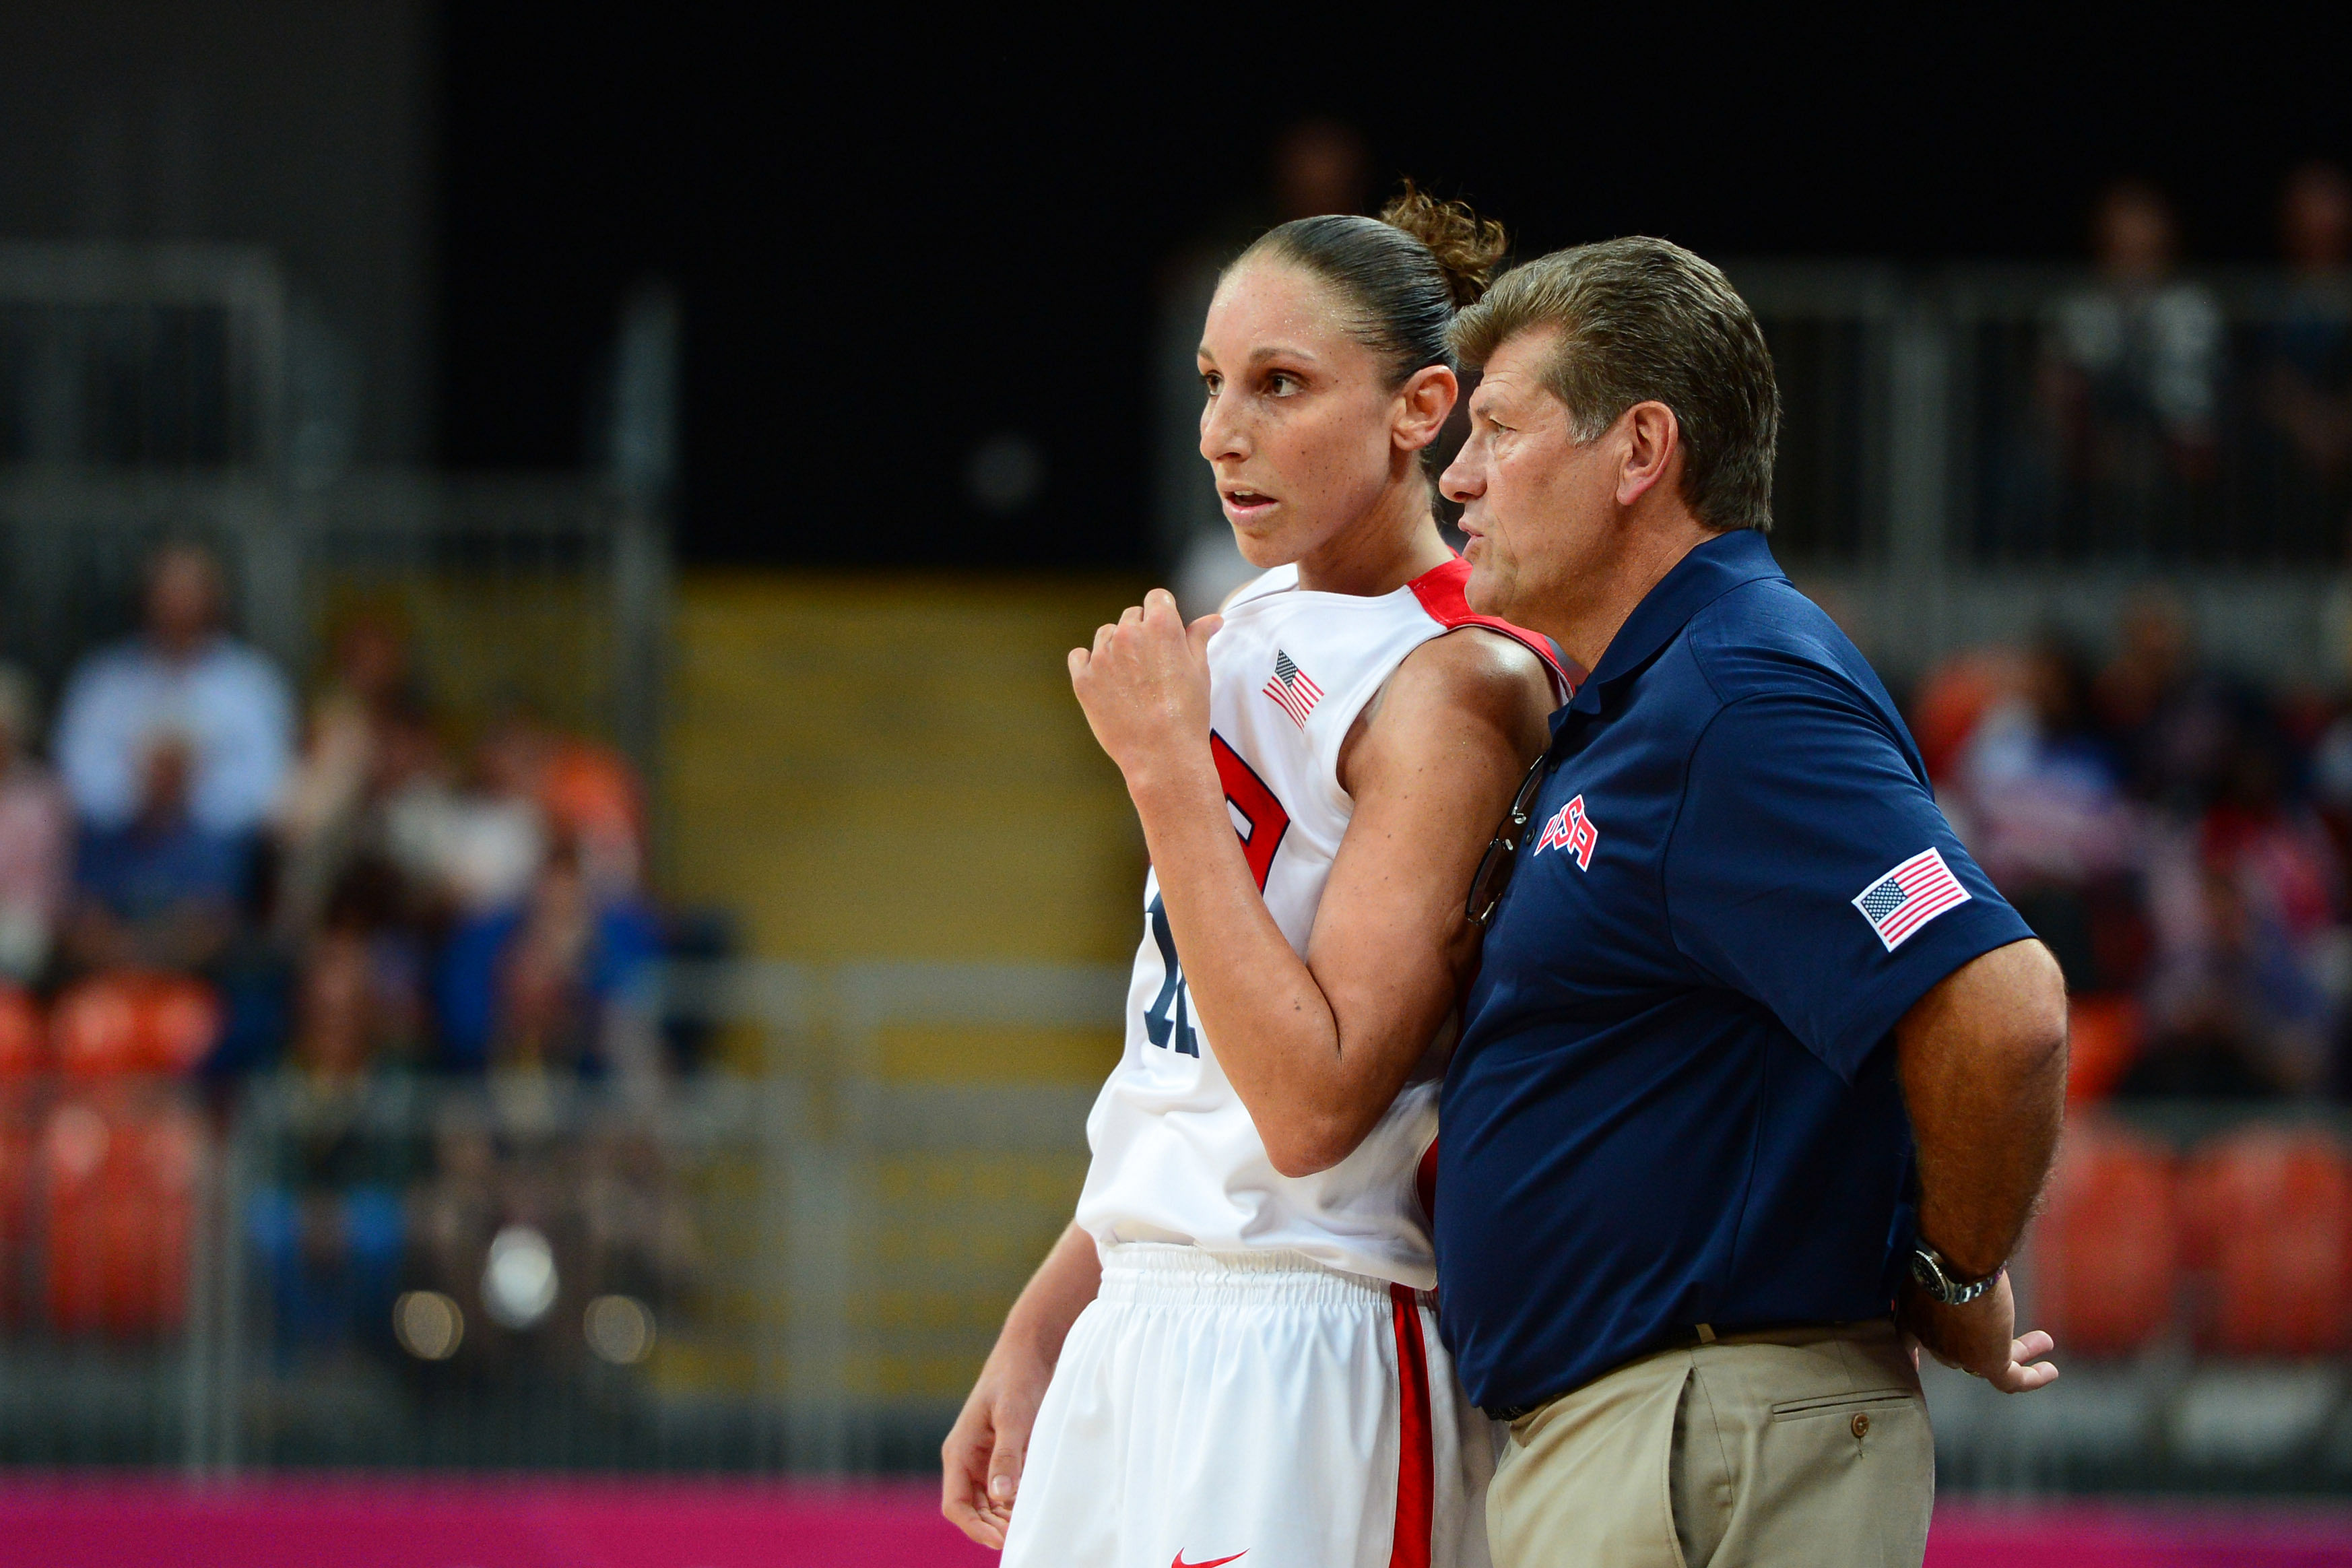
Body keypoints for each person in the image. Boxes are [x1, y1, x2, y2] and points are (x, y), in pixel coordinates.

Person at [943, 190, 1569, 1567]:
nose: (1225, 431)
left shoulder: (1456, 681)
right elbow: (1188, 1071)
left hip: (1318, 1327)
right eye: (1215, 383)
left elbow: (1312, 1109)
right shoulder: (1238, 630)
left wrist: (1165, 775)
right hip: (1141, 1316)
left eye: (1281, 386)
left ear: (1421, 411)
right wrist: (1051, 1313)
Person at [1433, 236, 2068, 1566]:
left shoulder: (1737, 702)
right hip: (1671, 1439)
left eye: (1497, 428)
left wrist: (1952, 1270)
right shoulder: (1666, 698)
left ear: (1640, 450)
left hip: (1695, 1440)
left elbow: (2001, 1010)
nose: (1459, 477)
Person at [53, 540, 294, 843]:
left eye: (189, 590)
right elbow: (74, 776)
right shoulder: (102, 680)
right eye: (167, 590)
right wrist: (143, 792)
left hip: (219, 844)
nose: (177, 602)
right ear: (145, 597)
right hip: (115, 842)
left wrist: (190, 790)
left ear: (214, 599)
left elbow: (269, 781)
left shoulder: (251, 682)